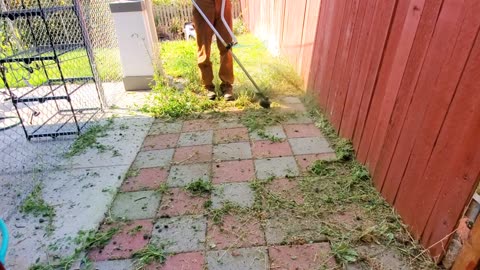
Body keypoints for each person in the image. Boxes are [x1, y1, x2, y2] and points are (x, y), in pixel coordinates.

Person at [192, 0, 234, 101]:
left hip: (223, 3)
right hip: (203, 3)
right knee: (204, 46)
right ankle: (208, 86)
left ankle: (227, 85)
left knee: (226, 44)